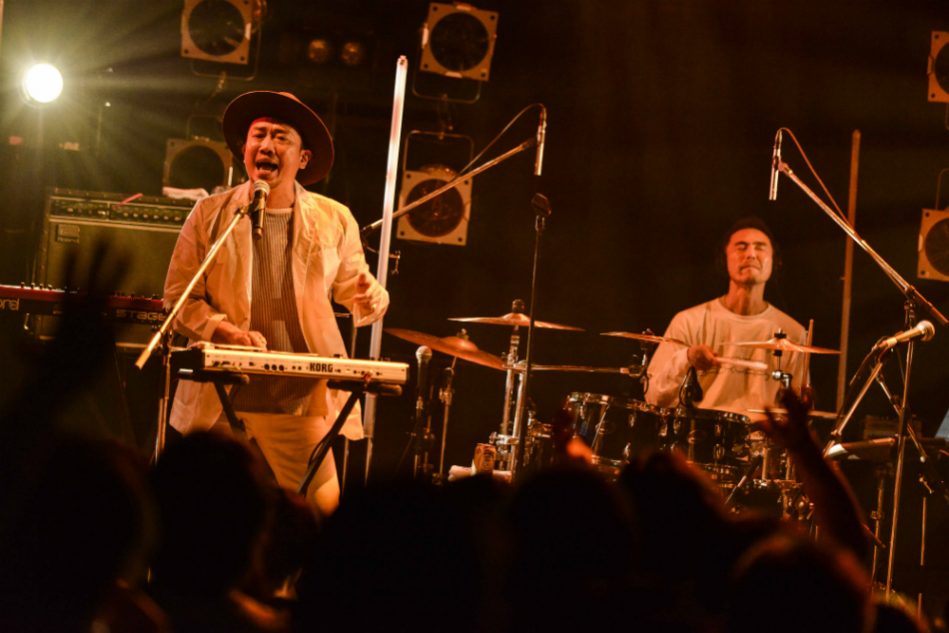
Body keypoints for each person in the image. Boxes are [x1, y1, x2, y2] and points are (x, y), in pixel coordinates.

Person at [163, 90, 389, 515]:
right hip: (221, 389)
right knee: (195, 514)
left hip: (296, 396)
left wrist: (371, 296)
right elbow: (178, 298)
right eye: (259, 135)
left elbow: (359, 295)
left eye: (281, 137)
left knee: (323, 513)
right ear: (244, 149)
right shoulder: (210, 213)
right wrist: (225, 331)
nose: (266, 145)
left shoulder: (334, 218)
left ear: (303, 158)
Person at [644, 216, 807, 416]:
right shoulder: (689, 321)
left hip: (762, 434)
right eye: (741, 247)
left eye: (760, 247)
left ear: (775, 261)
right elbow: (653, 397)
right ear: (724, 258)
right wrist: (687, 358)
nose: (751, 254)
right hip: (700, 432)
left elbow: (797, 411)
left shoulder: (793, 332)